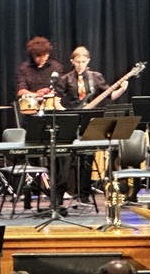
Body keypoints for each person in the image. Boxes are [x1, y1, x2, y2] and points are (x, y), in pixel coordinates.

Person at [52, 47, 129, 203]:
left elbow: (111, 95)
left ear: (88, 61)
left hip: (89, 121)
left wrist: (122, 88)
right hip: (71, 120)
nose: (80, 65)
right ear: (72, 62)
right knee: (65, 158)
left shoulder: (96, 78)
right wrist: (66, 113)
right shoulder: (65, 79)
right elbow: (55, 100)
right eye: (77, 62)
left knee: (87, 157)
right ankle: (59, 195)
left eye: (83, 61)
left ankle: (84, 195)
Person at [16, 36, 64, 114]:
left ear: (48, 54)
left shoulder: (56, 67)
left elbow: (60, 90)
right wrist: (36, 94)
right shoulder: (24, 68)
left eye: (44, 55)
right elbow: (20, 91)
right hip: (31, 109)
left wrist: (49, 93)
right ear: (32, 55)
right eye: (38, 56)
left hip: (52, 110)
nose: (42, 59)